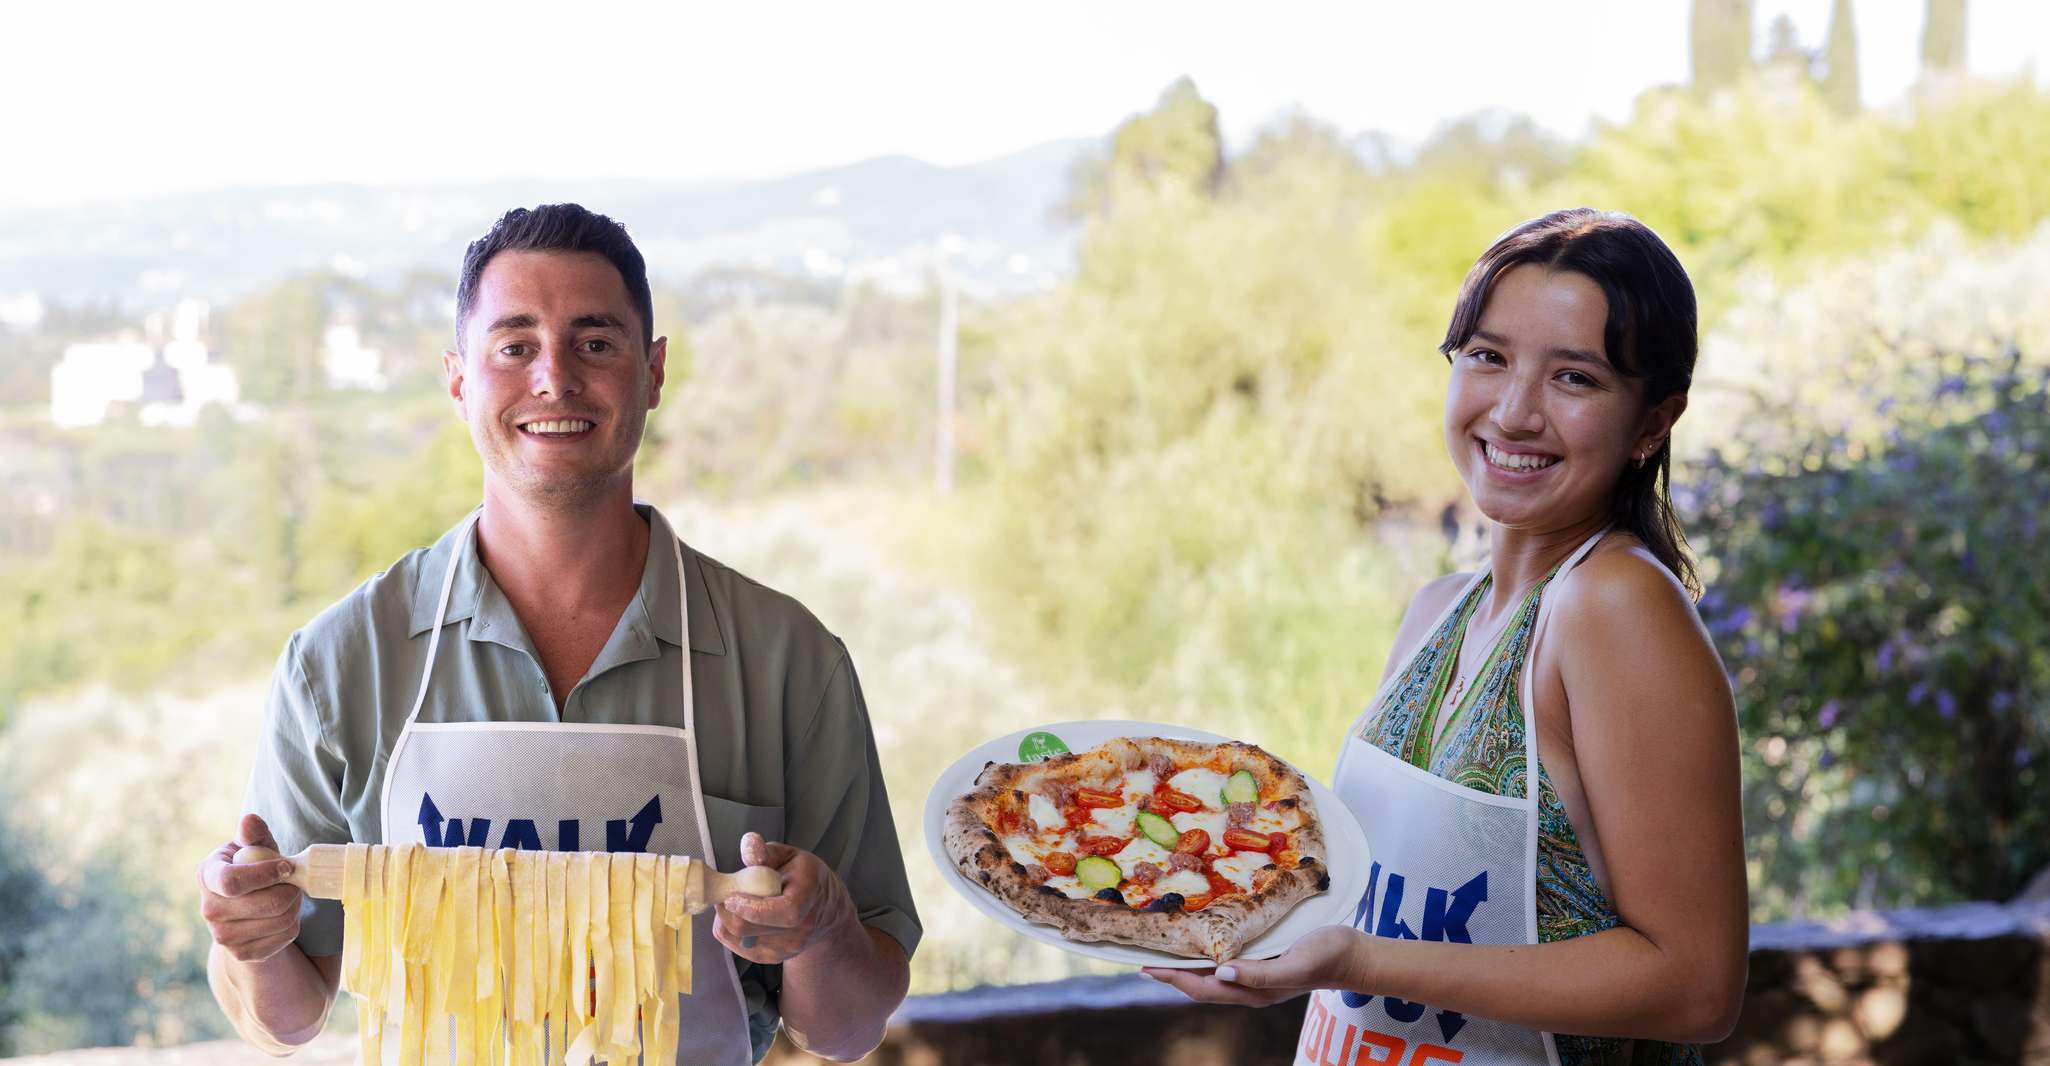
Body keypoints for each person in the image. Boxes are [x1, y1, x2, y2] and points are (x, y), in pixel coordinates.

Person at [195, 203, 918, 1064]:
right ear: (458, 380)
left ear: (652, 372)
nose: (555, 379)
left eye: (596, 342)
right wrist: (254, 938)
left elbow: (844, 1031)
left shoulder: (790, 662)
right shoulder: (340, 663)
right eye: (514, 346)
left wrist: (824, 927)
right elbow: (287, 1020)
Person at [1146, 209, 1748, 1064]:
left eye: (1574, 377)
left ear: (1653, 422)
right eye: (1488, 356)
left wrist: (1359, 961)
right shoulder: (1437, 611)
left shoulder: (1614, 607)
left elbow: (1696, 986)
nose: (1514, 411)